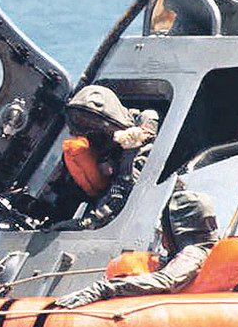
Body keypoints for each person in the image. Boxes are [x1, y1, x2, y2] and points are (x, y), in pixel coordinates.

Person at [54, 189, 219, 309]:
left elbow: (166, 280)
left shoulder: (194, 253)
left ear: (180, 229)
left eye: (166, 227)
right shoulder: (206, 249)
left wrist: (101, 289)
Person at [44, 85, 158, 232]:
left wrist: (84, 223)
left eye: (92, 126)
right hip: (102, 198)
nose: (89, 133)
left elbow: (126, 186)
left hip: (135, 209)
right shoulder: (94, 143)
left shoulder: (143, 127)